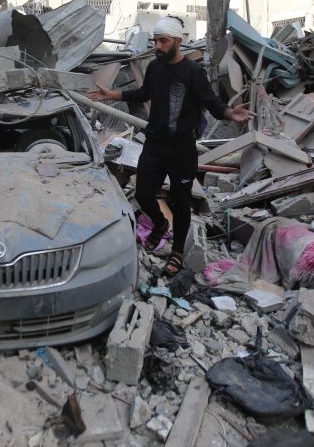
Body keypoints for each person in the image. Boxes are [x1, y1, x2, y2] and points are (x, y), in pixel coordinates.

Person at [88, 16, 253, 276]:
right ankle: (160, 224)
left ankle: (177, 251)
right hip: (154, 143)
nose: (158, 46)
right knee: (143, 193)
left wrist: (231, 113)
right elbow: (143, 95)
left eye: (163, 41)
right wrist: (111, 95)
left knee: (181, 200)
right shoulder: (155, 67)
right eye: (155, 41)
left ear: (178, 40)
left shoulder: (193, 71)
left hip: (182, 148)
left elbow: (212, 103)